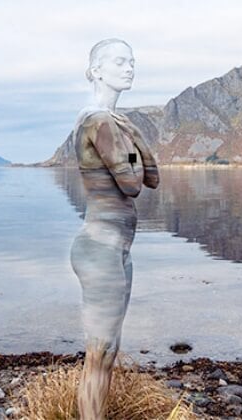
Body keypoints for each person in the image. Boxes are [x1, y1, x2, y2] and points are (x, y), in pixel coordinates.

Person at [69, 38, 160, 420]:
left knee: (108, 352)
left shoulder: (116, 122)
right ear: (96, 71)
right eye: (120, 62)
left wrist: (134, 135)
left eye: (133, 62)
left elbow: (152, 175)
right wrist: (131, 145)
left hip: (117, 249)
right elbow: (132, 183)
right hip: (100, 248)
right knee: (98, 354)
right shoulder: (98, 121)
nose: (130, 68)